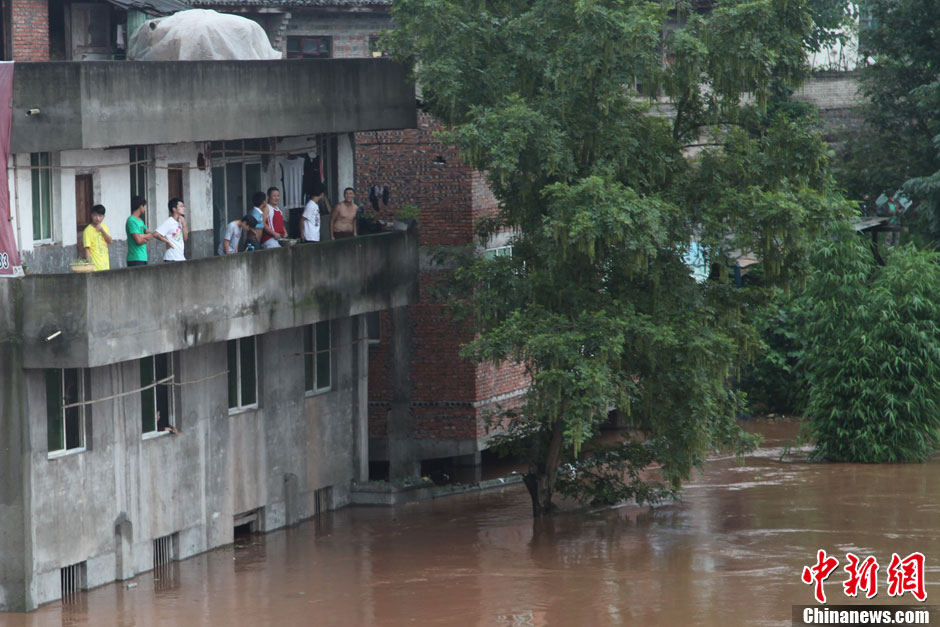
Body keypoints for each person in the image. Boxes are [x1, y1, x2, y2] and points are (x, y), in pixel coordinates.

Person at [153, 198, 188, 262]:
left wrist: (184, 225)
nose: (183, 208)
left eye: (183, 206)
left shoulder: (180, 222)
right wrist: (167, 241)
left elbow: (185, 238)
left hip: (180, 256)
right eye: (181, 206)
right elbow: (156, 234)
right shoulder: (169, 221)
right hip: (171, 257)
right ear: (174, 209)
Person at [83, 204, 112, 271]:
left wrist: (102, 231)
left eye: (100, 216)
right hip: (95, 267)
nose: (97, 218)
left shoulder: (104, 226)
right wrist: (90, 266)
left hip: (105, 266)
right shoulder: (87, 231)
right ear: (91, 215)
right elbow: (87, 249)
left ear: (103, 217)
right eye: (95, 215)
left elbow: (110, 241)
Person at [126, 196, 153, 267]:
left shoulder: (140, 221)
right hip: (135, 257)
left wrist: (141, 236)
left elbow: (150, 235)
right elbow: (138, 240)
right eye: (144, 206)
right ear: (141, 207)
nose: (145, 208)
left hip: (143, 256)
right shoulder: (131, 220)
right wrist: (144, 239)